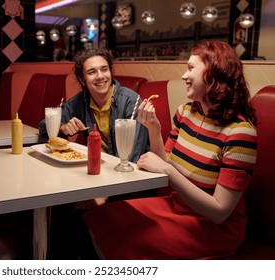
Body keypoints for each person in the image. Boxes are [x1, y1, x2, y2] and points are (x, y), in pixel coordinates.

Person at [82, 40, 258, 259]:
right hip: (177, 206)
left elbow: (219, 212)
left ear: (214, 74)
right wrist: (154, 130)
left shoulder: (240, 133)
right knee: (101, 216)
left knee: (129, 240)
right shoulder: (185, 112)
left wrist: (168, 172)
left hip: (215, 229)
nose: (184, 75)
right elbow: (166, 159)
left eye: (191, 68)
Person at [38, 47, 150, 259]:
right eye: (92, 72)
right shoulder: (80, 101)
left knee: (74, 212)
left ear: (111, 71)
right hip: (95, 176)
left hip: (129, 182)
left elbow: (132, 158)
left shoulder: (132, 101)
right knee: (56, 206)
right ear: (82, 78)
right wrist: (63, 127)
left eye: (104, 69)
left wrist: (102, 193)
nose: (100, 76)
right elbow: (44, 125)